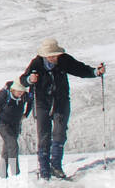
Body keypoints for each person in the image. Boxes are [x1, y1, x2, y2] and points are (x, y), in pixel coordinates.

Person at [20, 38, 104, 180]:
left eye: (55, 55)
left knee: (60, 133)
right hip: (42, 102)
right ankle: (44, 169)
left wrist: (96, 72)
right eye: (51, 55)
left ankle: (56, 166)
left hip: (61, 100)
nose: (54, 58)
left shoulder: (64, 60)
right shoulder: (37, 63)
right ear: (45, 55)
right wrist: (30, 79)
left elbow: (80, 69)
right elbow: (23, 79)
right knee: (44, 135)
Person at [0, 80, 31, 178]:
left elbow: (31, 101)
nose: (20, 93)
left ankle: (2, 174)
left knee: (7, 148)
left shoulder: (24, 96)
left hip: (15, 124)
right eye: (18, 91)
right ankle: (15, 173)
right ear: (13, 90)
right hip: (3, 124)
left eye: (22, 91)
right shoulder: (4, 96)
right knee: (13, 144)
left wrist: (26, 114)